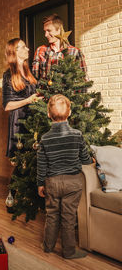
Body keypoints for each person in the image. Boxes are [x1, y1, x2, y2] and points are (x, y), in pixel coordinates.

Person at [37, 94, 93, 259]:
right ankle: (69, 251)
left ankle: (48, 246)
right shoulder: (77, 135)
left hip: (52, 182)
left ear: (49, 114)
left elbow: (42, 164)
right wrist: (91, 159)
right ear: (69, 113)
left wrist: (41, 184)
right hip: (73, 182)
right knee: (68, 217)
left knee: (52, 214)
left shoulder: (45, 139)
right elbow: (85, 159)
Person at [2, 38, 42, 158]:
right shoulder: (8, 75)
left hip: (33, 121)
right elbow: (7, 106)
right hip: (19, 122)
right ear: (15, 51)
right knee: (21, 161)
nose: (28, 49)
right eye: (24, 47)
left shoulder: (29, 72)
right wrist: (29, 100)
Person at [32, 13, 88, 80]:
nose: (46, 35)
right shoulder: (40, 50)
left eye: (49, 31)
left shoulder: (75, 52)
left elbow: (83, 79)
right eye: (45, 31)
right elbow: (35, 78)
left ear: (59, 30)